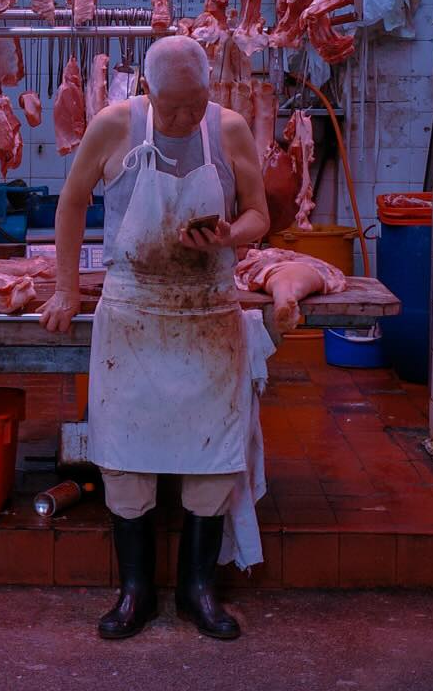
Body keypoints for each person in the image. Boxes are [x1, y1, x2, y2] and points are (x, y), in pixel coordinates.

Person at [38, 35, 270, 641]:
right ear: (148, 91)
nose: (184, 119)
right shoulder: (115, 126)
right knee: (125, 460)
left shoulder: (230, 129)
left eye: (195, 106)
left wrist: (228, 236)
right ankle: (134, 590)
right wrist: (65, 290)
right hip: (133, 316)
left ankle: (198, 590)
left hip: (209, 315)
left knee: (213, 460)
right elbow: (70, 205)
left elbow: (259, 215)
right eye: (172, 110)